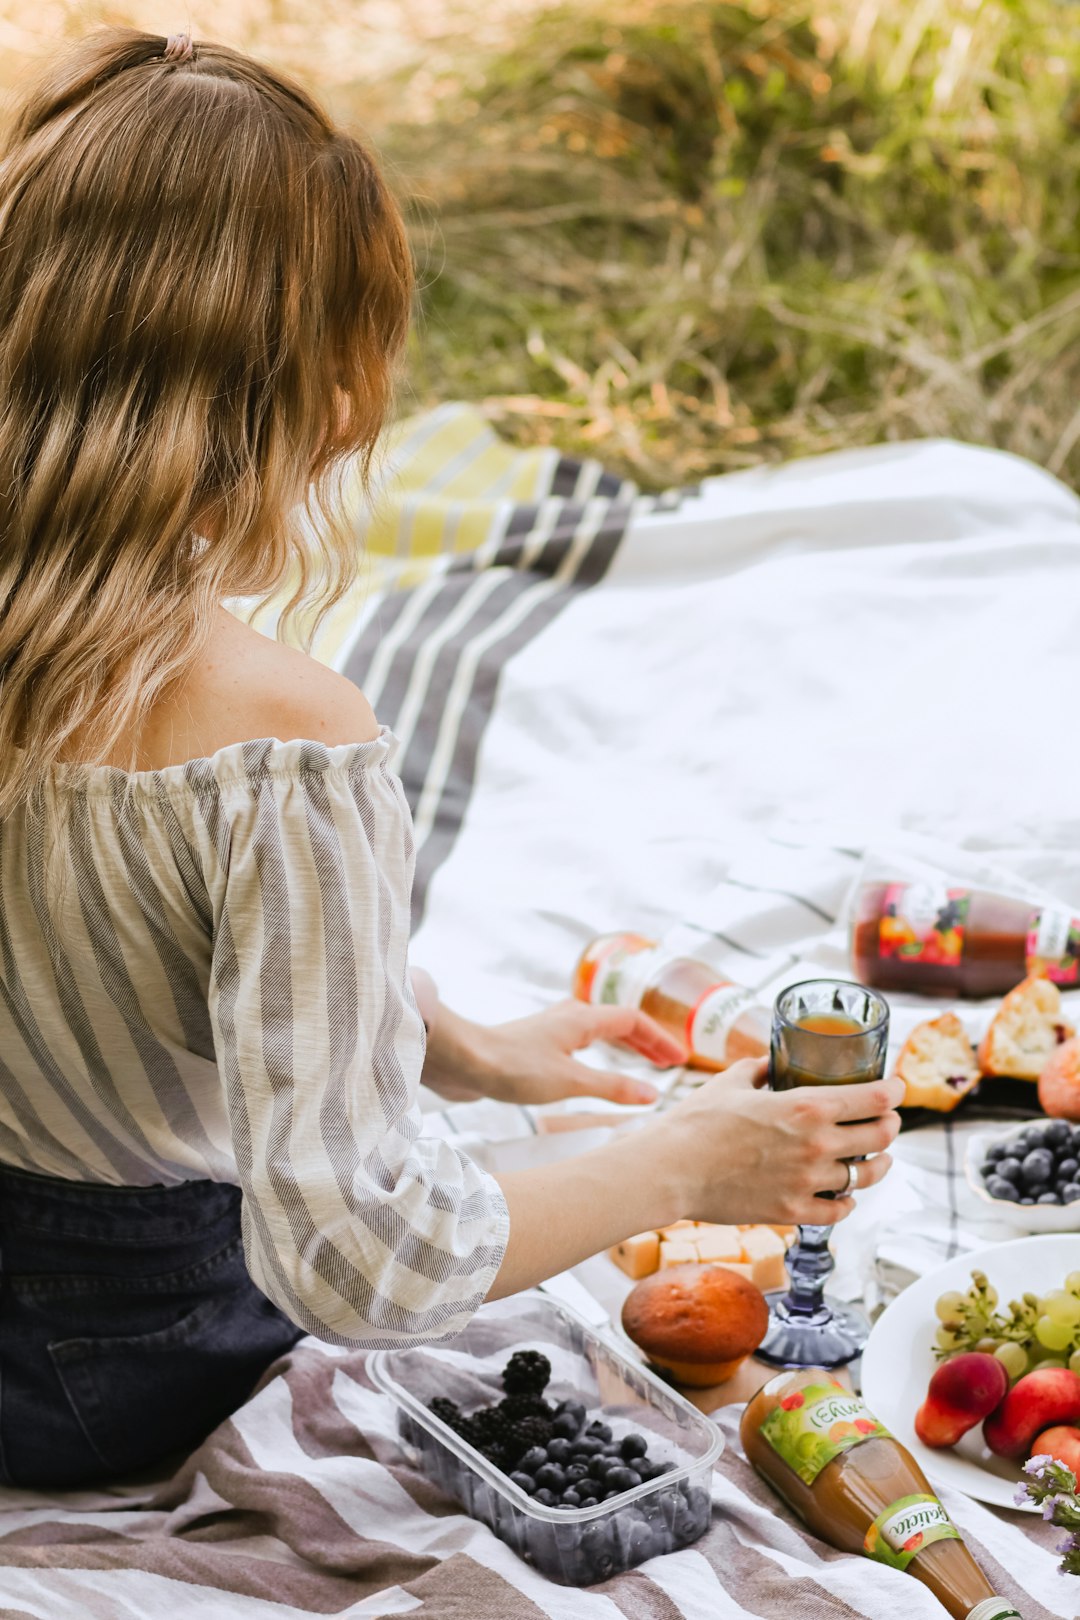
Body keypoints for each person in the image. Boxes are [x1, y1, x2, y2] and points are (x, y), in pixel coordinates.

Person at [0, 28, 901, 1490]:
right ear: (331, 396)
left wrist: (437, 1041)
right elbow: (359, 1257)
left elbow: (79, 957)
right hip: (118, 1367)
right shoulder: (282, 744)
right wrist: (686, 1161)